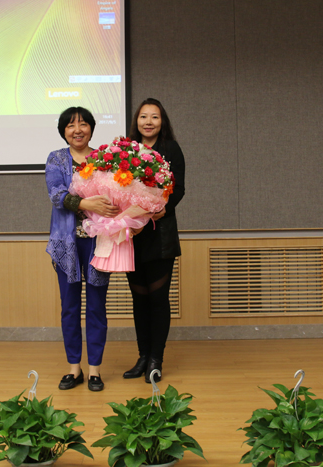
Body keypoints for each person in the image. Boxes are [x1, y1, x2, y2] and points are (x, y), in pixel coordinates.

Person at [45, 106, 120, 392]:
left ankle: (95, 371)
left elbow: (116, 195)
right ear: (63, 131)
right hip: (66, 244)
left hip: (99, 243)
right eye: (71, 125)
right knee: (70, 308)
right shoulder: (56, 158)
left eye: (83, 124)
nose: (77, 130)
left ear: (91, 128)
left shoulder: (104, 158)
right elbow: (56, 195)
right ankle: (74, 368)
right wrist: (87, 203)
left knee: (97, 307)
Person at [123, 98, 186, 384]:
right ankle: (142, 356)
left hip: (159, 232)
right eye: (143, 117)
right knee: (139, 299)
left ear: (162, 122)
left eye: (155, 117)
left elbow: (179, 189)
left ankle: (156, 359)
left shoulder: (171, 148)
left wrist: (162, 209)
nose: (148, 122)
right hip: (134, 234)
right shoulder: (126, 151)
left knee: (158, 299)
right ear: (136, 121)